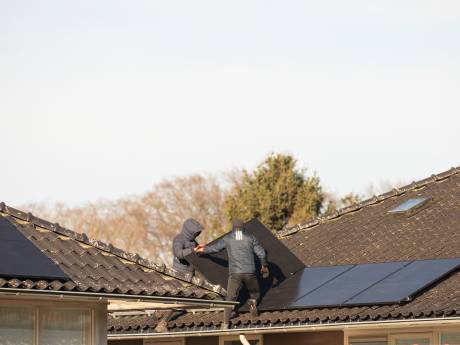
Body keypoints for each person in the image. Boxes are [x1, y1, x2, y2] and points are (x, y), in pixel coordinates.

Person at [195, 219, 269, 321]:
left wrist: (204, 249)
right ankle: (253, 301)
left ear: (233, 228)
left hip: (235, 274)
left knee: (230, 298)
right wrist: (264, 266)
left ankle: (225, 321)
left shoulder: (228, 238)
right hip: (249, 273)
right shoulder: (251, 238)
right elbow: (262, 253)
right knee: (255, 293)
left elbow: (215, 248)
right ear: (243, 228)